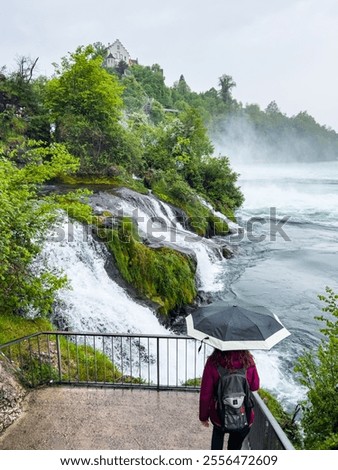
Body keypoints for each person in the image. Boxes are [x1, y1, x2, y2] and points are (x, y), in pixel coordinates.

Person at [199, 349, 260, 450]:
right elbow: (255, 386)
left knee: (217, 437)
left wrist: (203, 416)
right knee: (234, 447)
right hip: (243, 415)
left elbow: (206, 394)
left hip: (219, 414)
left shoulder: (213, 362)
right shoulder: (248, 361)